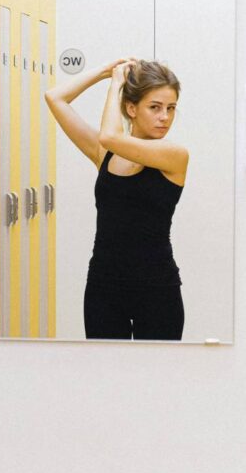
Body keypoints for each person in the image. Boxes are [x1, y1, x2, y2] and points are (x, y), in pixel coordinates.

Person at [45, 58, 188, 340]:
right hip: (103, 286)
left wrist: (116, 84)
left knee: (157, 379)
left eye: (171, 108)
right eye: (155, 107)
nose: (165, 117)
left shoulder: (174, 155)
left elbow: (111, 135)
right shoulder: (105, 154)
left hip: (157, 288)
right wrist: (104, 71)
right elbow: (55, 98)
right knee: (104, 378)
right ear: (131, 108)